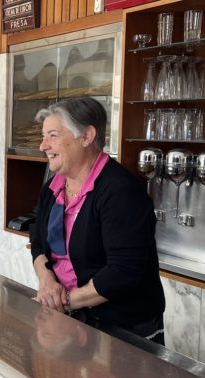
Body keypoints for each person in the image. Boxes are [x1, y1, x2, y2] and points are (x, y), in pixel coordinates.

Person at [31, 97, 166, 345]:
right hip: (73, 316)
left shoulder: (121, 191)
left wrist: (65, 301)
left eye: (52, 135)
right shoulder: (54, 186)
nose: (43, 146)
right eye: (43, 136)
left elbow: (122, 272)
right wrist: (47, 282)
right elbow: (38, 240)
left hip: (121, 327)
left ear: (86, 136)